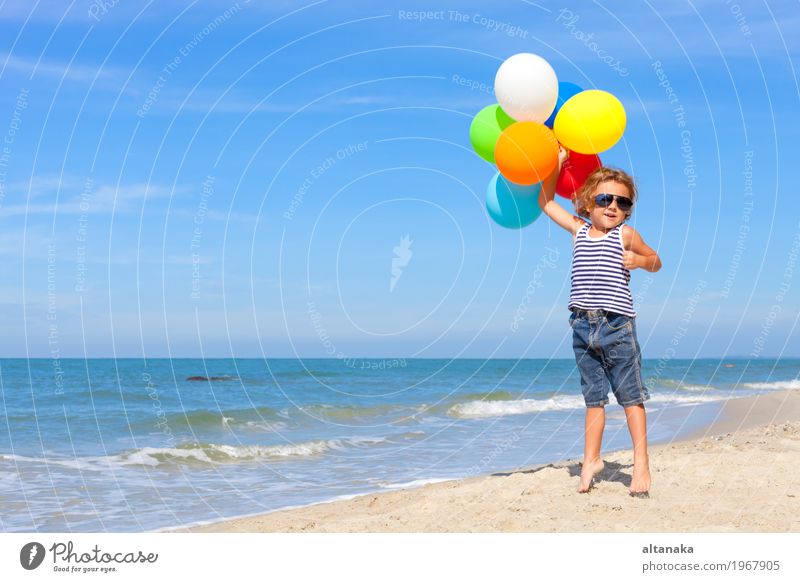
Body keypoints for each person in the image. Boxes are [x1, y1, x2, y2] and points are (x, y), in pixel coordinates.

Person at [538, 148, 662, 497]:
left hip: (617, 326)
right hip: (581, 325)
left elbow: (657, 261)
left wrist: (638, 260)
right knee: (593, 399)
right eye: (606, 199)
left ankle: (641, 461)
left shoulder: (625, 236)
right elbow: (545, 202)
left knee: (631, 398)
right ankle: (590, 460)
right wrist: (557, 165)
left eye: (623, 203)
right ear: (587, 203)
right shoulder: (578, 230)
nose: (614, 207)